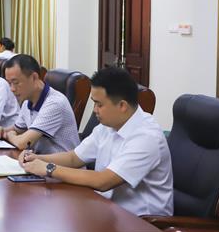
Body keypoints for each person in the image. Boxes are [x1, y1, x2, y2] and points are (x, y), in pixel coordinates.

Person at [19, 66, 173, 217]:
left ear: (122, 106)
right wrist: (36, 158)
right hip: (106, 209)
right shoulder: (108, 126)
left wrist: (48, 168)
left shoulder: (147, 137)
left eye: (99, 104)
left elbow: (103, 181)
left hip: (142, 223)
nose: (94, 110)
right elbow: (74, 158)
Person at [0, 54, 80, 153]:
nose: (12, 89)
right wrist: (2, 130)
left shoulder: (55, 103)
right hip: (38, 159)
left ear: (34, 77)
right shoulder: (27, 101)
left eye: (16, 82)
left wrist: (8, 135)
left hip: (58, 161)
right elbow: (17, 130)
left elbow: (23, 143)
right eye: (9, 83)